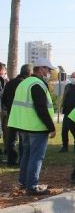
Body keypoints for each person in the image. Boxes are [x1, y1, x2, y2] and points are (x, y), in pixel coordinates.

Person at [7, 58, 56, 195]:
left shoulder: (24, 83)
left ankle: (23, 183)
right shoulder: (37, 84)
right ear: (40, 69)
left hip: (23, 126)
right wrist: (51, 127)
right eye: (48, 69)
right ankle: (32, 186)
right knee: (36, 157)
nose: (50, 72)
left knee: (26, 156)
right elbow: (41, 108)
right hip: (36, 127)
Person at [2, 64, 32, 166]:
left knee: (11, 139)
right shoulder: (26, 84)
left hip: (12, 114)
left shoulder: (10, 83)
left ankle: (11, 160)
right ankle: (22, 161)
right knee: (23, 139)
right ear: (29, 73)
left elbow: (4, 99)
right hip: (23, 115)